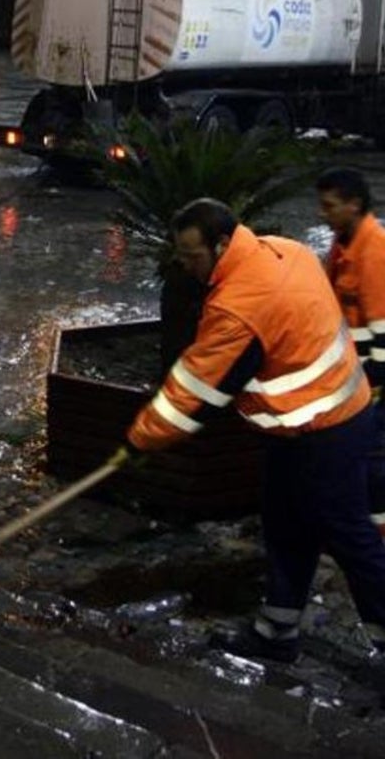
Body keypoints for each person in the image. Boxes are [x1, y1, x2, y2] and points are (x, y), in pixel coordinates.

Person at [121, 198, 385, 664]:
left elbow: (195, 393)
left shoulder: (239, 305)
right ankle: (276, 633)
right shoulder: (285, 251)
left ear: (222, 245)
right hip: (311, 423)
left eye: (192, 255)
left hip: (325, 432)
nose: (183, 265)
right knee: (286, 525)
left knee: (351, 540)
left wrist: (138, 441)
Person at [318, 167, 385, 538]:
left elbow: (383, 335)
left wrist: (370, 387)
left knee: (372, 462)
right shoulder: (345, 246)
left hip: (369, 382)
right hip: (354, 378)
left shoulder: (373, 252)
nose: (322, 214)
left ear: (354, 205)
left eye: (330, 206)